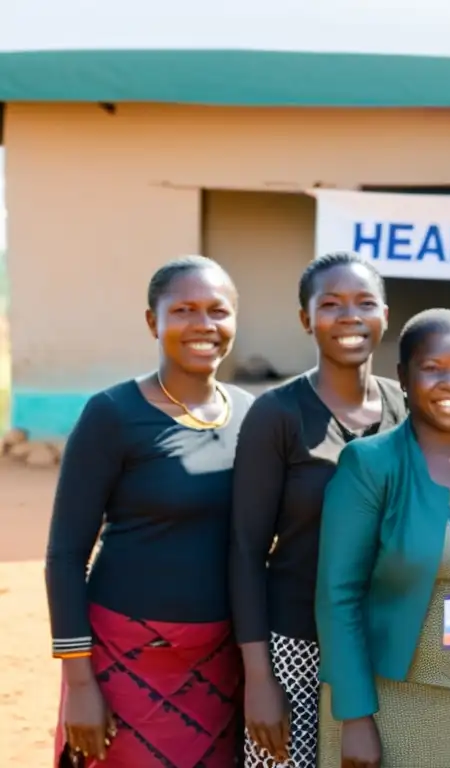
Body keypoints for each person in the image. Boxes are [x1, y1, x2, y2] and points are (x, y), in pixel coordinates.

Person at [230, 254, 450, 768]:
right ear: (305, 318)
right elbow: (246, 550)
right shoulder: (277, 415)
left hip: (374, 645)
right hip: (296, 644)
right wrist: (259, 676)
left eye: (364, 302)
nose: (349, 315)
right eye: (330, 304)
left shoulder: (404, 405)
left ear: (384, 313)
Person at [45, 255, 253, 768]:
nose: (203, 325)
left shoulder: (254, 415)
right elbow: (66, 556)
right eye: (183, 309)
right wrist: (79, 685)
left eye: (217, 311)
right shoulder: (113, 414)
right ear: (151, 322)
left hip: (224, 665)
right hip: (127, 661)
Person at [316, 308, 450, 768]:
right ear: (403, 378)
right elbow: (338, 595)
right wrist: (354, 715)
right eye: (433, 369)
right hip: (389, 705)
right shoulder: (370, 466)